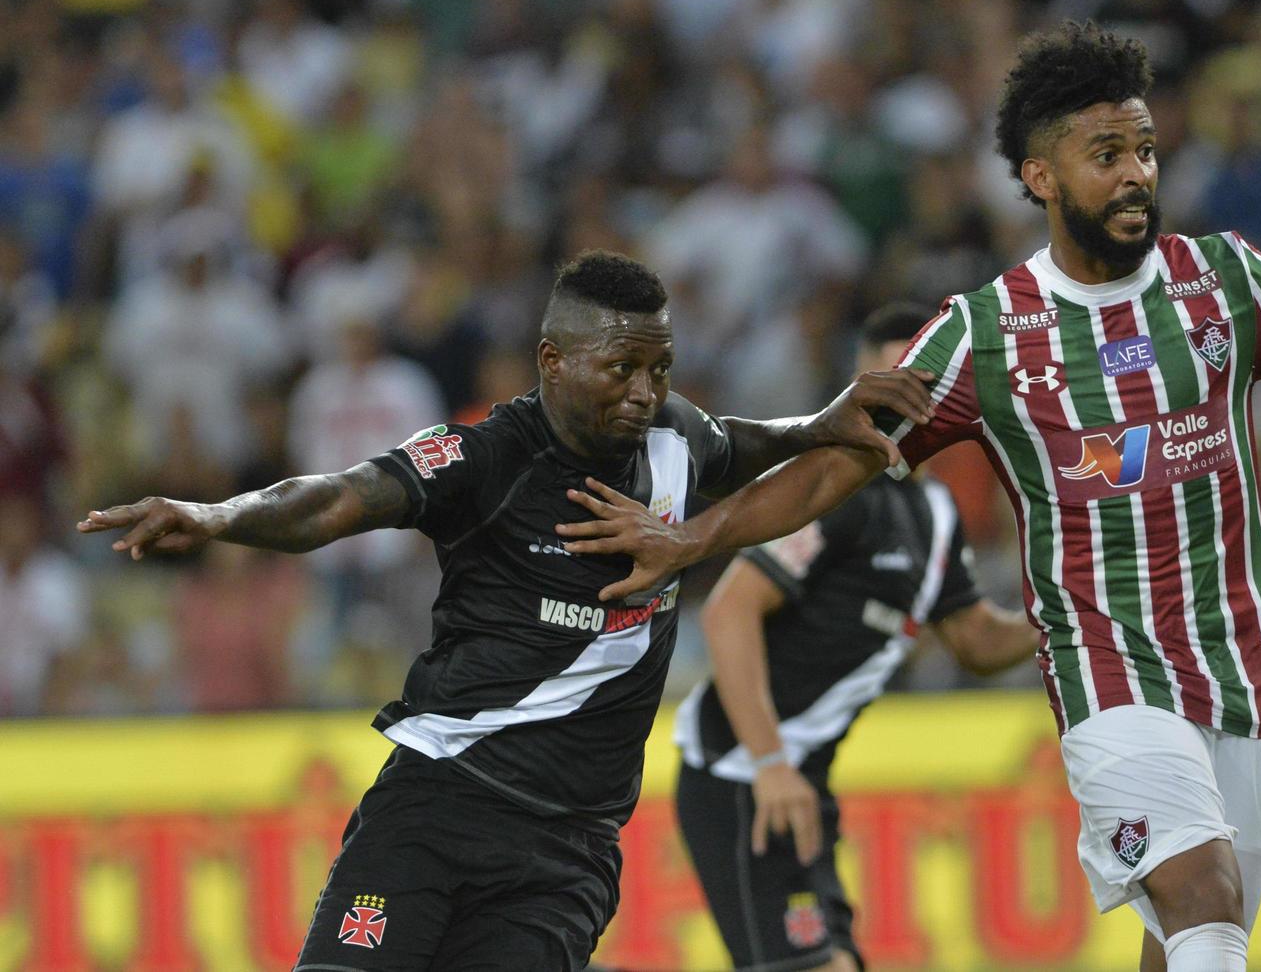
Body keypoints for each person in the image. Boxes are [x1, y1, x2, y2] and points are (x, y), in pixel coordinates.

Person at [555, 24, 1261, 972]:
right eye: (1106, 154)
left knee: (1193, 936)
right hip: (1107, 675)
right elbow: (836, 465)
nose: (1137, 176)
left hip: (1242, 673)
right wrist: (692, 539)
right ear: (1040, 176)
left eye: (1146, 150)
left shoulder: (1227, 278)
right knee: (1203, 891)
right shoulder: (983, 336)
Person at [77, 249, 934, 971]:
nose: (645, 392)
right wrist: (219, 516)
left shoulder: (676, 437)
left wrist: (819, 422)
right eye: (622, 368)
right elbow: (337, 499)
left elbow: (747, 442)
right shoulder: (488, 459)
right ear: (552, 360)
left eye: (660, 368)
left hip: (569, 851)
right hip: (443, 803)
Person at [673, 303, 1037, 972]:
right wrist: (771, 762)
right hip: (741, 773)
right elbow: (729, 612)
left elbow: (974, 638)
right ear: (857, 384)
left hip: (800, 780)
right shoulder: (838, 490)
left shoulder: (931, 510)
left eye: (920, 383)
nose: (905, 399)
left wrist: (1062, 617)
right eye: (887, 379)